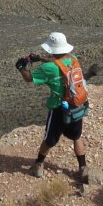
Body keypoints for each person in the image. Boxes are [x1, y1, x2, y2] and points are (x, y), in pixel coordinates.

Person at [15, 31, 89, 184]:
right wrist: (40, 58)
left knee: (49, 140)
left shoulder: (48, 68)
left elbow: (29, 78)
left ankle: (38, 165)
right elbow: (59, 62)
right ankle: (83, 168)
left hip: (58, 110)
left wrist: (21, 67)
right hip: (76, 106)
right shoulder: (73, 60)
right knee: (77, 137)